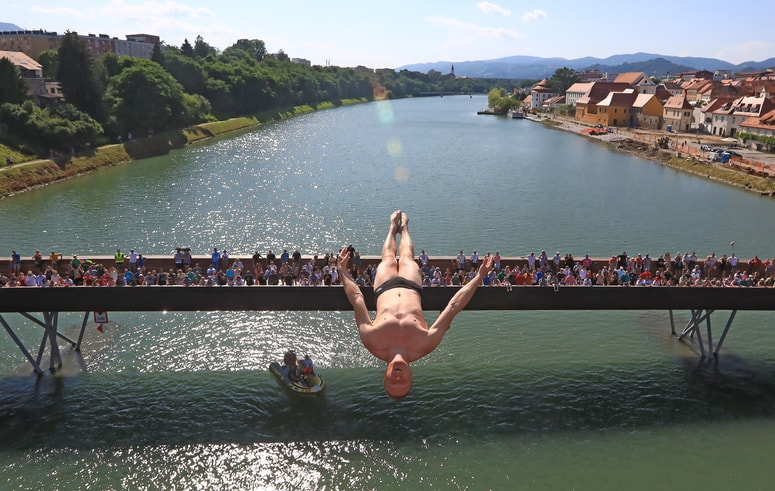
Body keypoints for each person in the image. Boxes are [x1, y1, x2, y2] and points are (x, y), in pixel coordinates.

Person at [337, 210, 494, 399]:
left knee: (388, 258)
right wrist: (479, 277)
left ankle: (391, 228)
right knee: (407, 257)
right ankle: (404, 228)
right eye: (402, 382)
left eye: (393, 382)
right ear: (411, 376)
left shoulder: (372, 342)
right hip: (412, 286)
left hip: (384, 287)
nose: (398, 378)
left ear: (384, 377)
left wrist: (342, 271)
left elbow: (357, 298)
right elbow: (453, 306)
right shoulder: (425, 344)